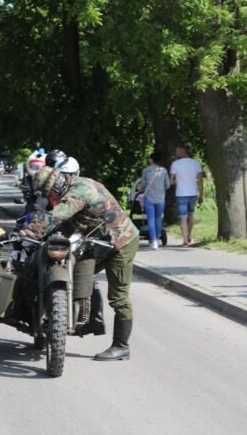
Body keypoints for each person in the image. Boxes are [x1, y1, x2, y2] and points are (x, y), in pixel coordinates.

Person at [28, 165, 139, 361]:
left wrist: (31, 230)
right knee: (78, 272)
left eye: (50, 193)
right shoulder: (73, 187)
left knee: (119, 297)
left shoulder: (80, 190)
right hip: (98, 240)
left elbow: (59, 214)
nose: (50, 198)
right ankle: (90, 320)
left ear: (58, 184)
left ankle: (122, 346)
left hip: (121, 241)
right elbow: (71, 223)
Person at [170, 145, 204, 247]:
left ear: (182, 151)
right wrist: (201, 194)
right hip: (193, 193)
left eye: (177, 151)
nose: (175, 153)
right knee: (191, 214)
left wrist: (178, 181)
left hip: (181, 194)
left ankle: (185, 241)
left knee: (183, 217)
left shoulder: (175, 164)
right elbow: (200, 180)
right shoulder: (195, 163)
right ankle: (189, 235)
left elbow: (171, 181)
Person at [138, 152, 169, 249]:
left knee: (150, 220)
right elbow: (167, 185)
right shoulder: (163, 171)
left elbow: (143, 185)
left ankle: (154, 242)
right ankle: (157, 239)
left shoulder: (146, 170)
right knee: (158, 219)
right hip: (160, 199)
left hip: (149, 199)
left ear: (151, 159)